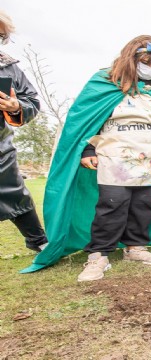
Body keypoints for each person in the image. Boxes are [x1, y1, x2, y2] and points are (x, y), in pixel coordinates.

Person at [23, 35, 151, 279]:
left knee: (145, 205)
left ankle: (135, 247)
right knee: (112, 204)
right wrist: (88, 150)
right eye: (147, 64)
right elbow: (85, 122)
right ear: (131, 60)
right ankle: (98, 255)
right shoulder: (104, 84)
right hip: (115, 157)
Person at [0, 11, 48, 253]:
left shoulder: (8, 67)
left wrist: (15, 106)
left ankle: (38, 241)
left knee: (15, 194)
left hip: (0, 148)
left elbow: (32, 102)